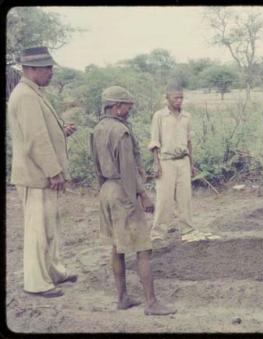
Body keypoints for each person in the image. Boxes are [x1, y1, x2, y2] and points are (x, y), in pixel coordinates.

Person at [90, 86, 176, 315]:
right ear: (117, 107)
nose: (129, 110)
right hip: (123, 191)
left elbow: (97, 166)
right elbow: (128, 171)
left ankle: (122, 298)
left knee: (117, 247)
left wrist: (106, 190)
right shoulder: (120, 132)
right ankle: (151, 303)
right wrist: (143, 196)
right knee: (143, 248)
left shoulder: (97, 129)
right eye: (127, 106)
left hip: (106, 190)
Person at [7, 47, 78, 298]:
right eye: (47, 68)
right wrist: (54, 171)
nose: (51, 72)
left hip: (41, 175)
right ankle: (36, 283)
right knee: (37, 230)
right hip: (36, 176)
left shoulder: (33, 92)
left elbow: (41, 130)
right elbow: (35, 140)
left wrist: (61, 131)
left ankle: (54, 272)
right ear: (31, 69)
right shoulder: (26, 95)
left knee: (50, 228)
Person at [149, 83, 219, 245]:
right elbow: (154, 141)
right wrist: (156, 163)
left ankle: (187, 229)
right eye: (176, 98)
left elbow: (189, 141)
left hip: (183, 161)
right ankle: (158, 232)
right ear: (167, 98)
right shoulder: (159, 116)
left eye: (181, 97)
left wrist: (191, 163)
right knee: (164, 199)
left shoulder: (187, 116)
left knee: (184, 197)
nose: (179, 101)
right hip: (166, 161)